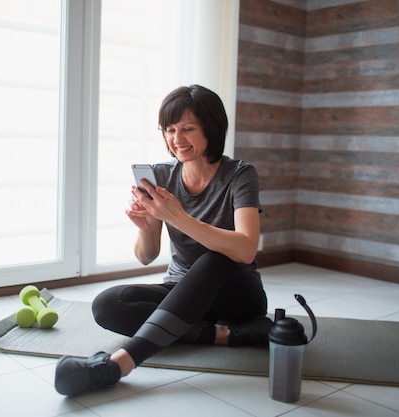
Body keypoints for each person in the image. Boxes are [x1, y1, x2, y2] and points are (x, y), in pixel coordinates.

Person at [54, 84, 272, 396]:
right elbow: (146, 255)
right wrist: (146, 226)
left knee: (214, 257)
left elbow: (246, 248)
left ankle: (117, 365)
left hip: (237, 294)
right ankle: (227, 336)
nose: (176, 139)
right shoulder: (162, 175)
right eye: (169, 130)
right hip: (181, 291)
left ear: (211, 128)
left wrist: (178, 217)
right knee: (107, 305)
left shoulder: (240, 175)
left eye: (187, 129)